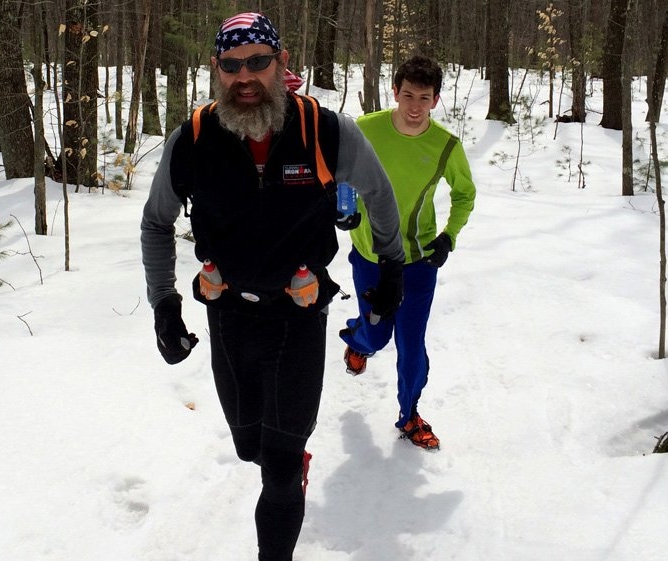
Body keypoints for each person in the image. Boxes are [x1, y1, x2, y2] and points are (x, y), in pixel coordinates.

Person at [140, 12, 405, 561]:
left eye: (258, 61)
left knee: (280, 470)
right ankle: (282, 458)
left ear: (282, 63)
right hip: (228, 313)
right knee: (249, 446)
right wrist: (164, 303)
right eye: (231, 64)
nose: (245, 76)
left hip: (297, 314)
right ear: (216, 69)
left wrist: (392, 267)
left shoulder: (325, 130)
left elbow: (379, 194)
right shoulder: (194, 138)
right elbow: (156, 222)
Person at [340, 55, 477, 451]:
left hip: (418, 259)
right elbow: (341, 173)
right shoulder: (365, 130)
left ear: (436, 100)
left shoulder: (445, 146)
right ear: (395, 92)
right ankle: (359, 341)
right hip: (370, 255)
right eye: (408, 96)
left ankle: (410, 414)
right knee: (377, 335)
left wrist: (449, 237)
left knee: (412, 343)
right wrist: (345, 209)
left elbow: (465, 194)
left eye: (424, 98)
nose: (415, 107)